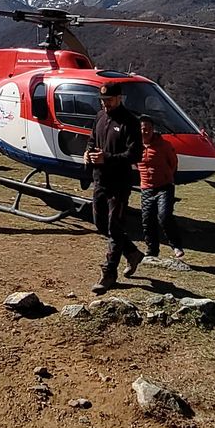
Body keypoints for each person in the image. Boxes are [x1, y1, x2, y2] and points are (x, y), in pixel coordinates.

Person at [84, 82, 144, 294]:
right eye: (102, 101)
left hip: (119, 183)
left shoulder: (130, 122)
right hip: (100, 179)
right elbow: (92, 141)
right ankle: (133, 253)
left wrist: (106, 158)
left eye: (109, 100)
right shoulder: (100, 117)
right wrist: (88, 153)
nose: (105, 104)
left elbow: (135, 154)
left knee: (115, 227)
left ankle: (109, 273)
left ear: (119, 98)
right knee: (100, 223)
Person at [137, 115, 184, 259]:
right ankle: (152, 250)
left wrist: (167, 176)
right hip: (146, 187)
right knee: (147, 219)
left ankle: (176, 245)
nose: (146, 132)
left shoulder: (164, 145)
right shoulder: (134, 145)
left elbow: (173, 163)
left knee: (164, 216)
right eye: (143, 129)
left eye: (149, 129)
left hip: (164, 186)